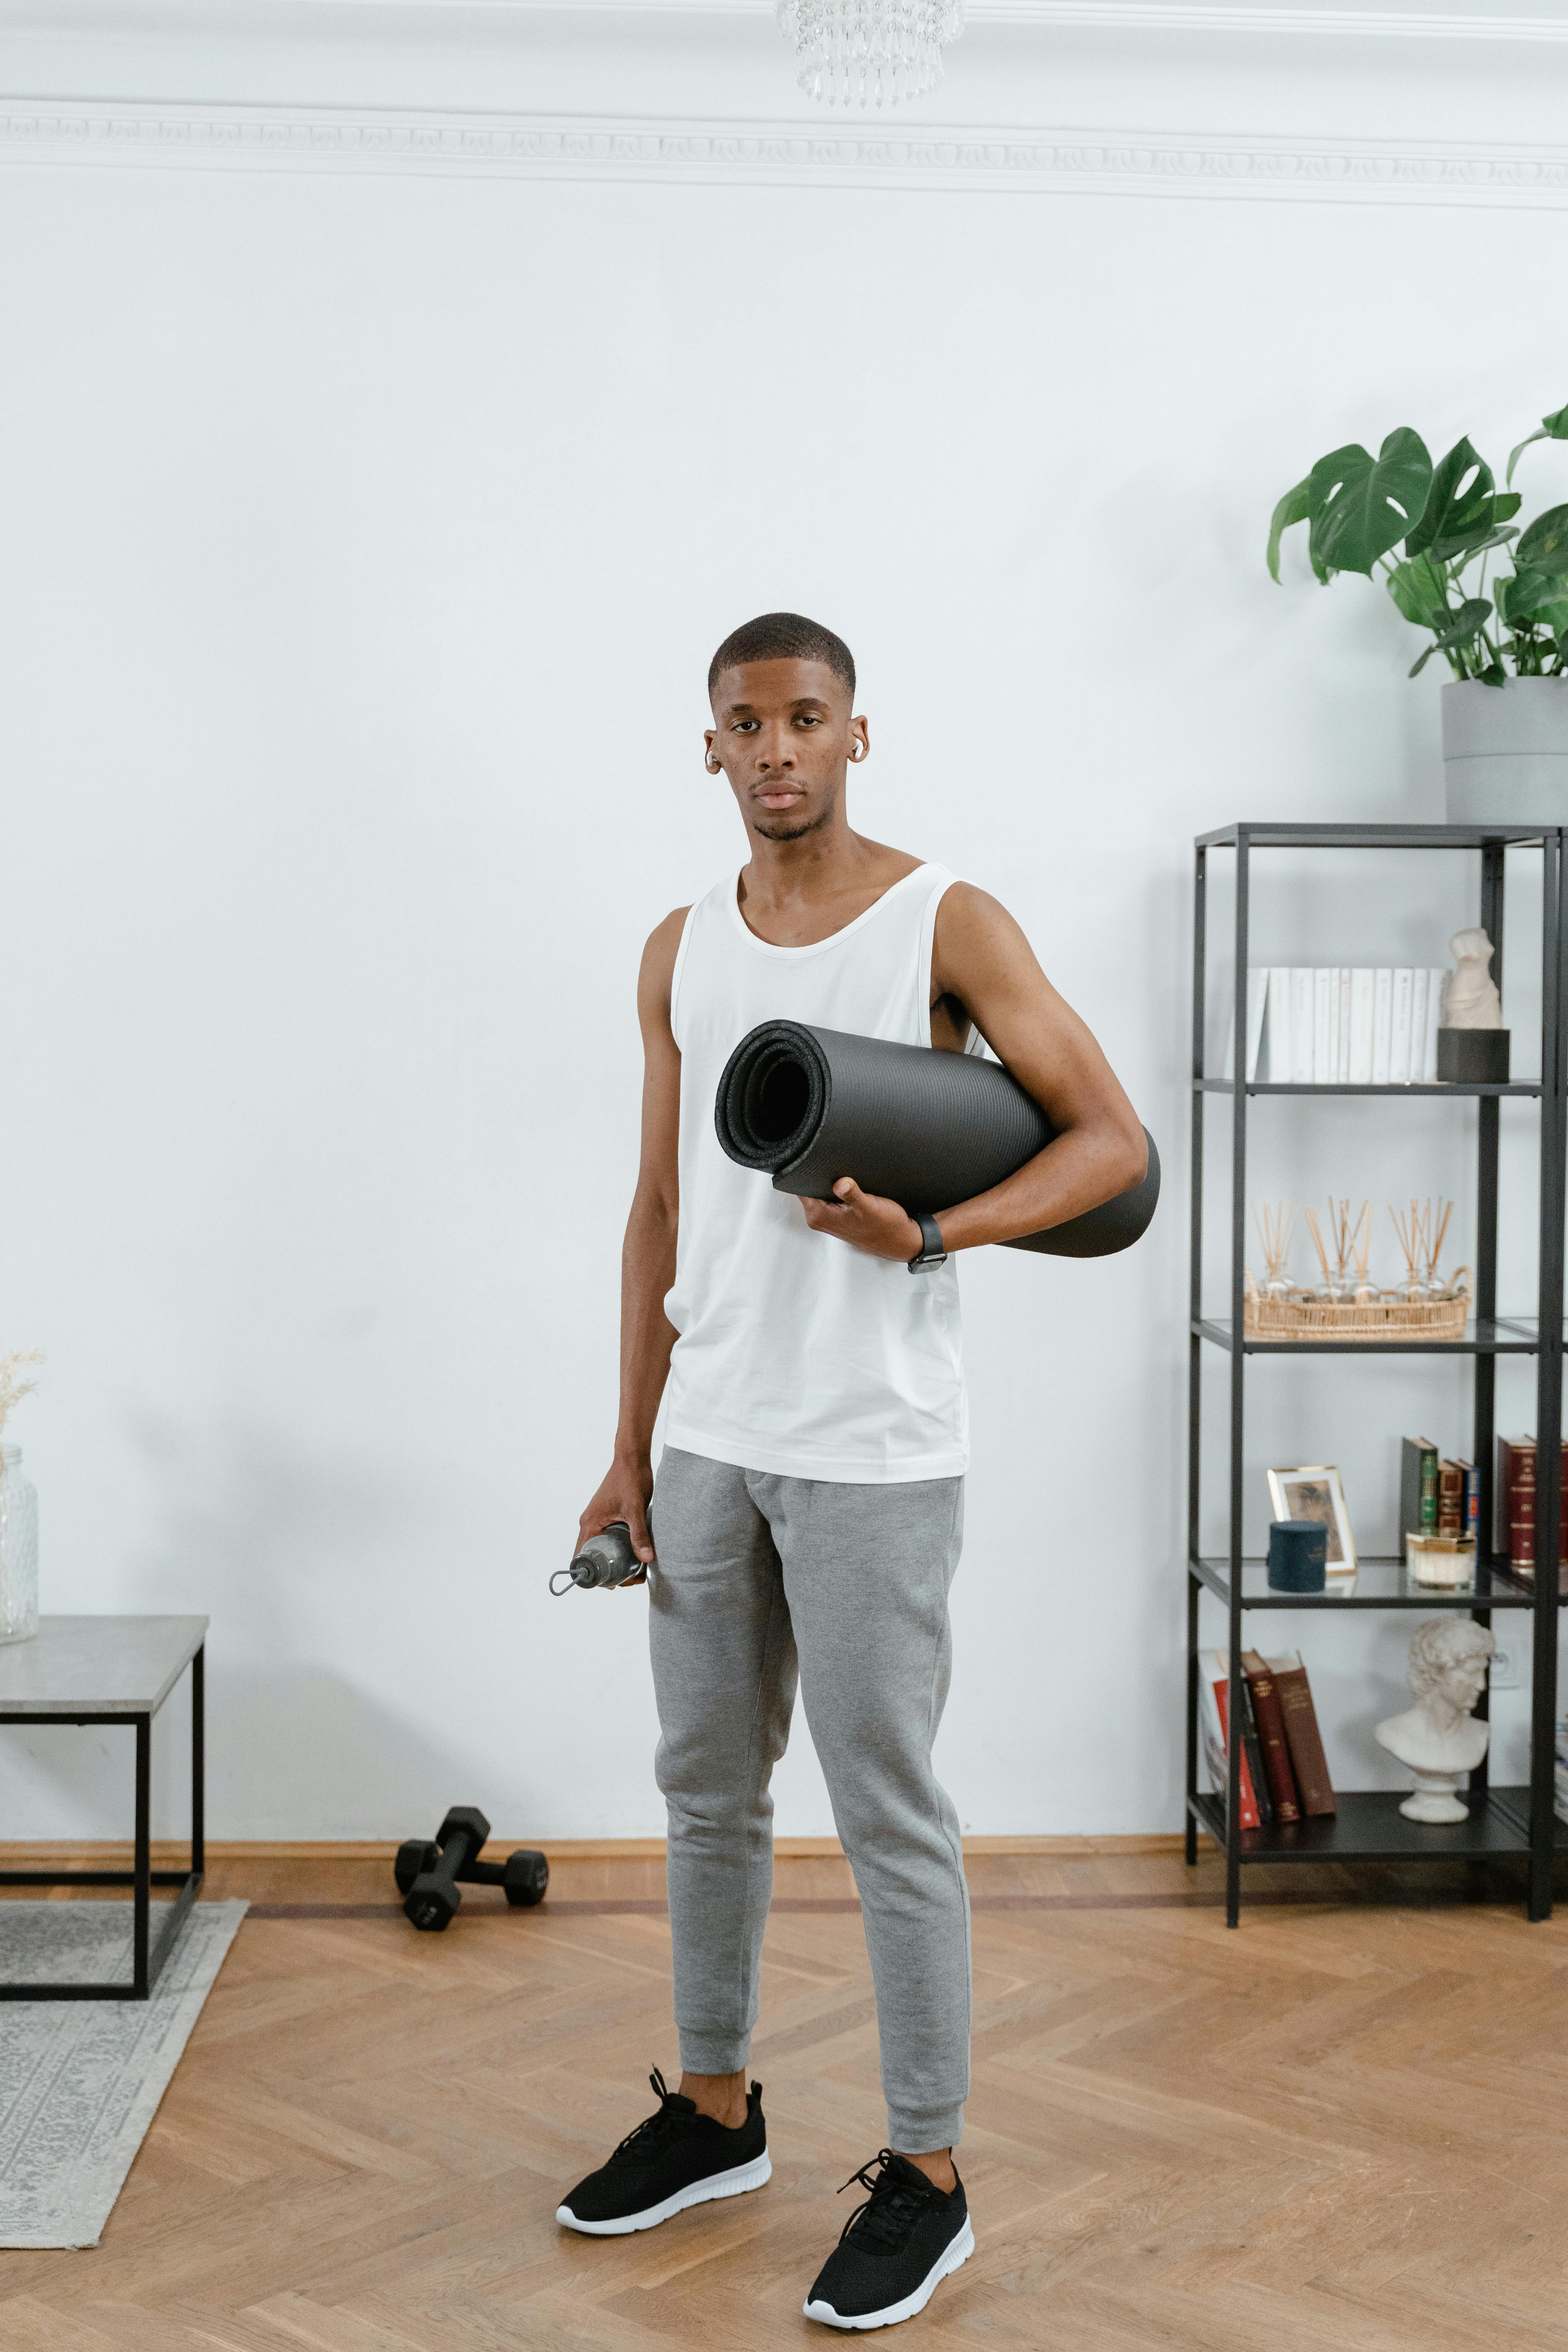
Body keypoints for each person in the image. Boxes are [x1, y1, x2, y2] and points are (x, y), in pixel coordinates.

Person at [555, 612, 1145, 2330]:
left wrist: (936, 1230)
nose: (777, 750)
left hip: (877, 1447)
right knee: (703, 1790)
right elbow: (660, 1209)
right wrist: (623, 1445)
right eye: (745, 725)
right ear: (713, 750)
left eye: (806, 719)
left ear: (855, 735)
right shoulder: (677, 946)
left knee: (885, 1801)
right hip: (710, 1435)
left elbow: (1110, 1142)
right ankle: (718, 2111)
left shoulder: (941, 919)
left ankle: (931, 2177)